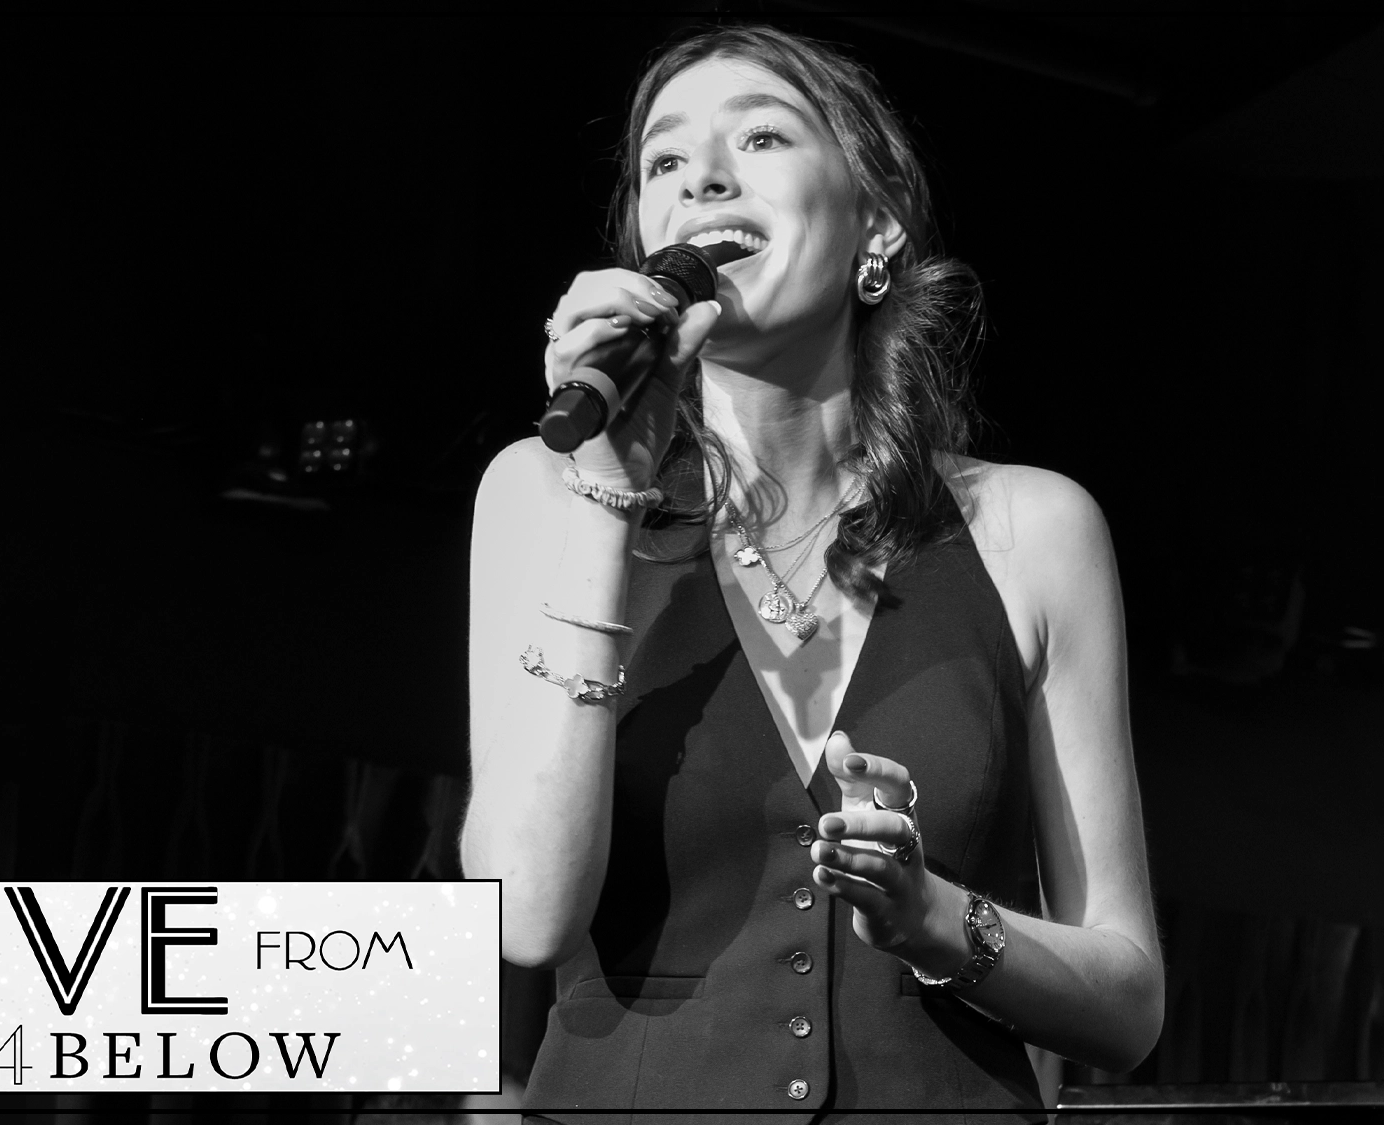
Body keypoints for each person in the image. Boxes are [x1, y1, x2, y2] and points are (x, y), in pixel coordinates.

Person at [462, 23, 1162, 1121]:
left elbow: (1125, 1008)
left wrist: (938, 922)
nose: (701, 175)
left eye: (761, 135)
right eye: (663, 162)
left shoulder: (1030, 526)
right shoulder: (538, 488)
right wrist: (603, 499)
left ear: (872, 229)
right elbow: (526, 920)